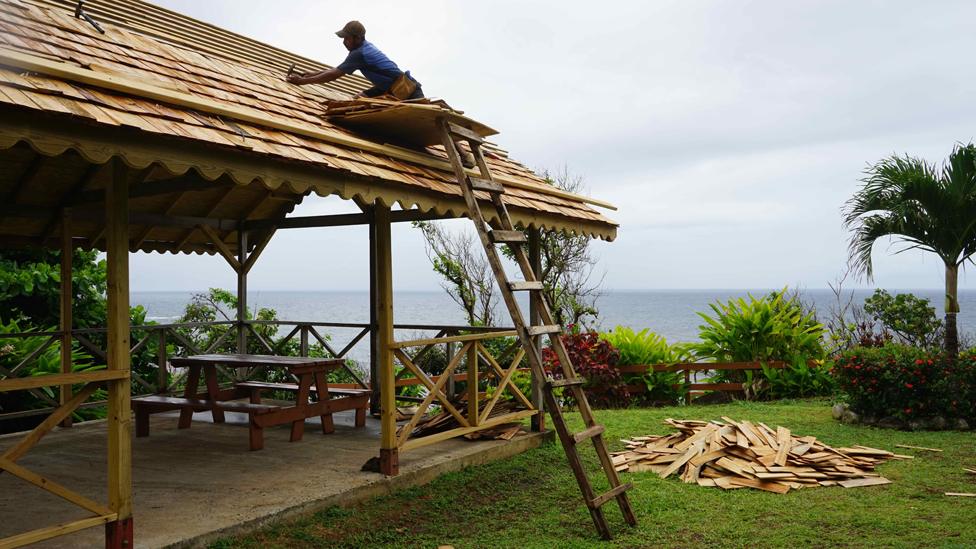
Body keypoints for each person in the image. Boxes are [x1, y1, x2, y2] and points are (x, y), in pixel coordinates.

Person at [286, 20, 423, 100]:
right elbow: (336, 69)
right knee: (358, 99)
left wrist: (302, 81)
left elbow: (334, 74)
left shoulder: (359, 53)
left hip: (408, 91)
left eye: (347, 38)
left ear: (357, 38)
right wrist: (311, 74)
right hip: (389, 87)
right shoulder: (363, 48)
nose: (344, 42)